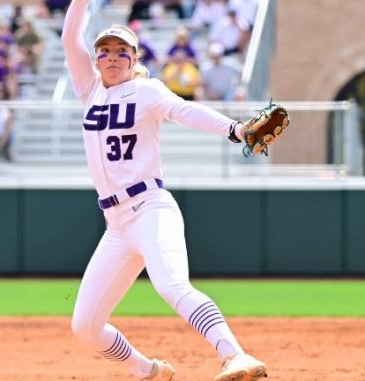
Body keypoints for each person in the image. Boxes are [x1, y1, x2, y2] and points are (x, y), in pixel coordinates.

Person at [61, 1, 267, 381]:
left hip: (150, 207)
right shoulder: (89, 90)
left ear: (134, 58)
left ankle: (235, 355)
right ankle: (148, 370)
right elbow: (69, 36)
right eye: (104, 51)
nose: (112, 57)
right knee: (85, 327)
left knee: (172, 286)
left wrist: (236, 129)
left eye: (122, 51)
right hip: (116, 225)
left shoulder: (146, 90)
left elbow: (187, 111)